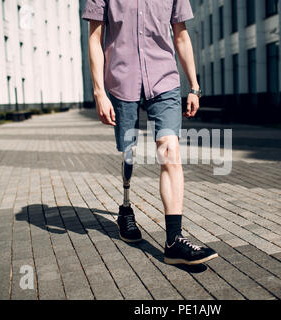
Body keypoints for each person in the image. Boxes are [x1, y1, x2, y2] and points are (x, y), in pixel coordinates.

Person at [82, 0, 218, 265]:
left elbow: (181, 34)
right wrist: (99, 92)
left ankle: (173, 242)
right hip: (122, 80)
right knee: (129, 151)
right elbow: (95, 38)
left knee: (170, 151)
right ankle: (125, 208)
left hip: (164, 81)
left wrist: (194, 86)